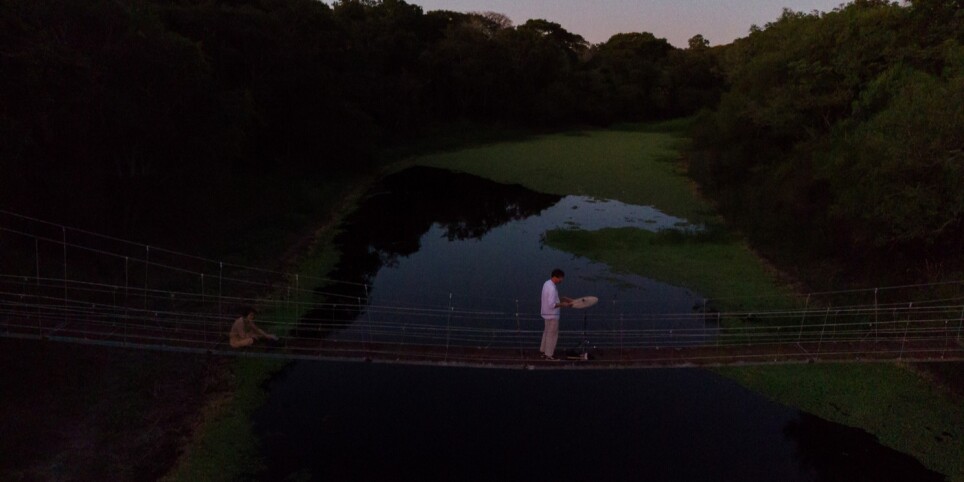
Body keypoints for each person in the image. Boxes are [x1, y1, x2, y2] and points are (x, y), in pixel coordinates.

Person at [540, 268, 572, 360]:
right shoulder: (552, 288)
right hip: (552, 316)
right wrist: (564, 304)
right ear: (557, 277)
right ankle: (549, 355)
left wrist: (563, 298)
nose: (562, 280)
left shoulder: (547, 283)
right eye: (561, 278)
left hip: (546, 314)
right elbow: (552, 304)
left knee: (546, 333)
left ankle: (543, 350)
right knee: (552, 335)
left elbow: (551, 299)